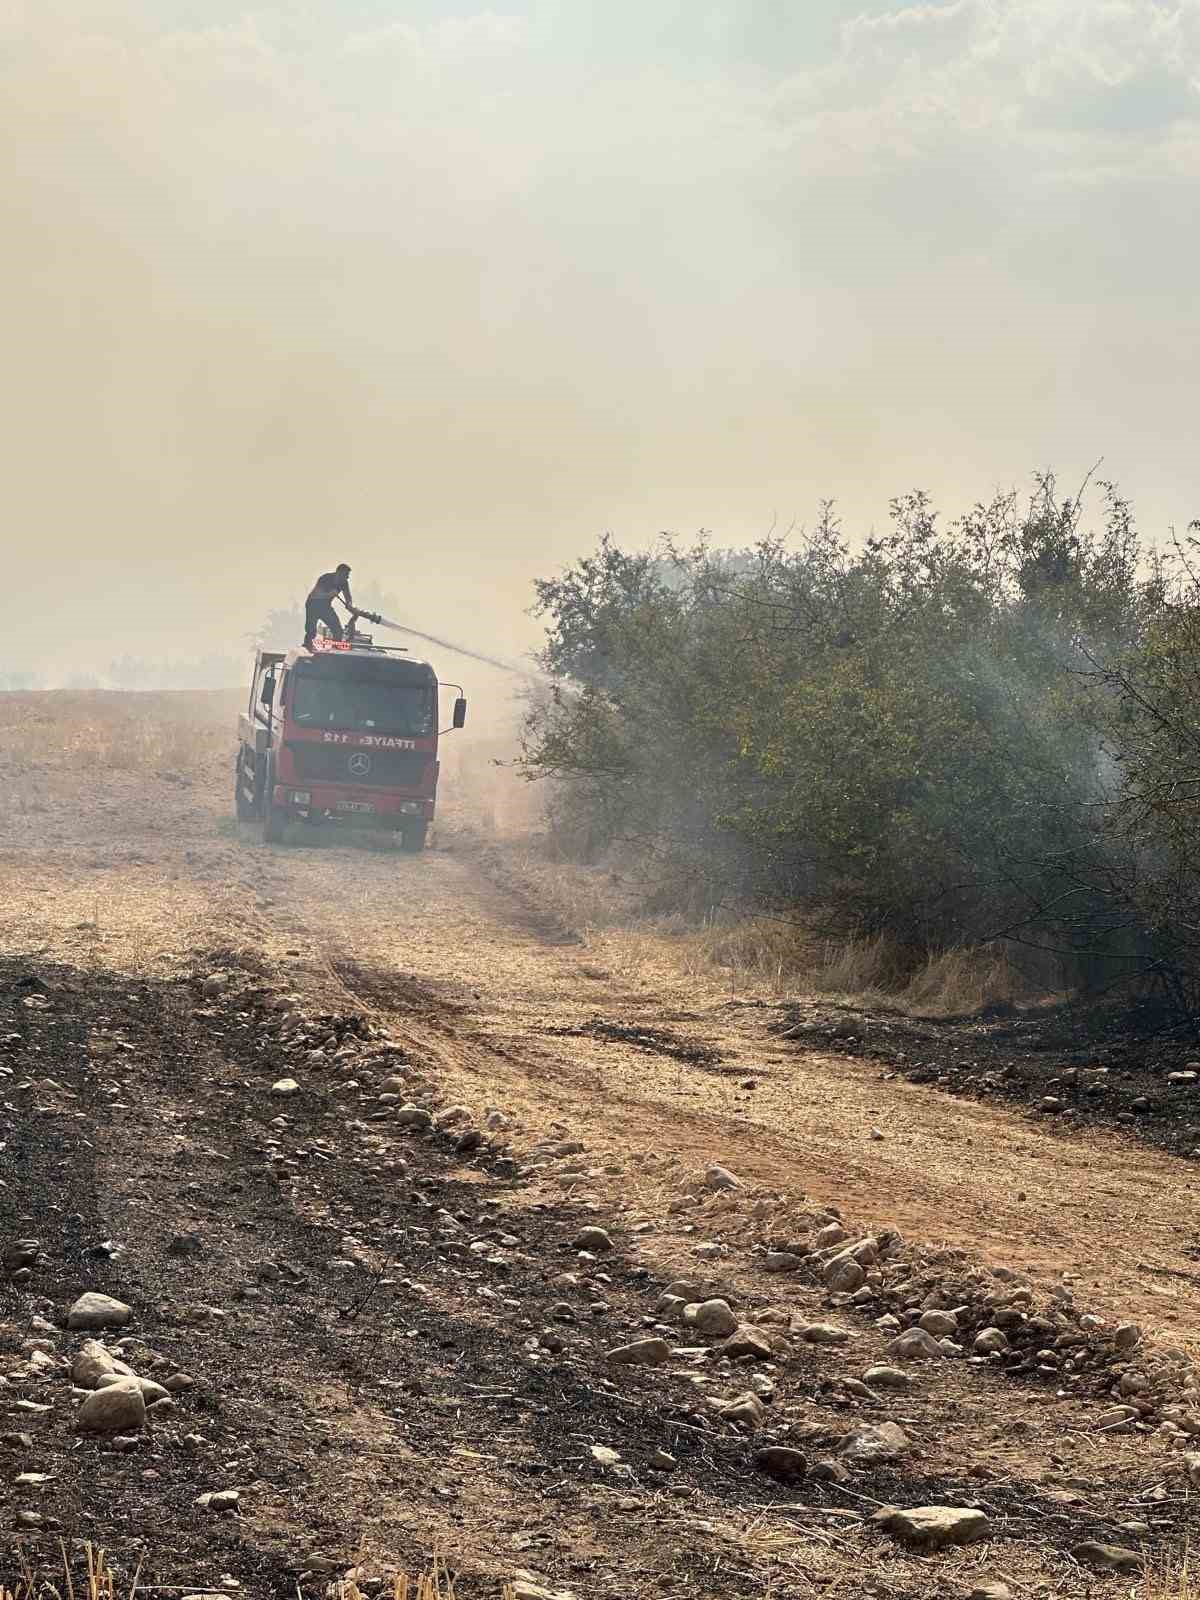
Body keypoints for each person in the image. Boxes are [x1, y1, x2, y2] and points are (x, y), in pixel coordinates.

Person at [303, 564, 354, 650]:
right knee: (311, 631)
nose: (347, 577)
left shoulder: (344, 583)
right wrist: (328, 595)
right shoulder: (325, 578)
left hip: (325, 607)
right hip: (313, 604)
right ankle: (307, 647)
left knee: (338, 630)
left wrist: (349, 604)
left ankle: (335, 649)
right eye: (346, 575)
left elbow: (348, 597)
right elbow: (316, 594)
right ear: (339, 573)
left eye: (348, 575)